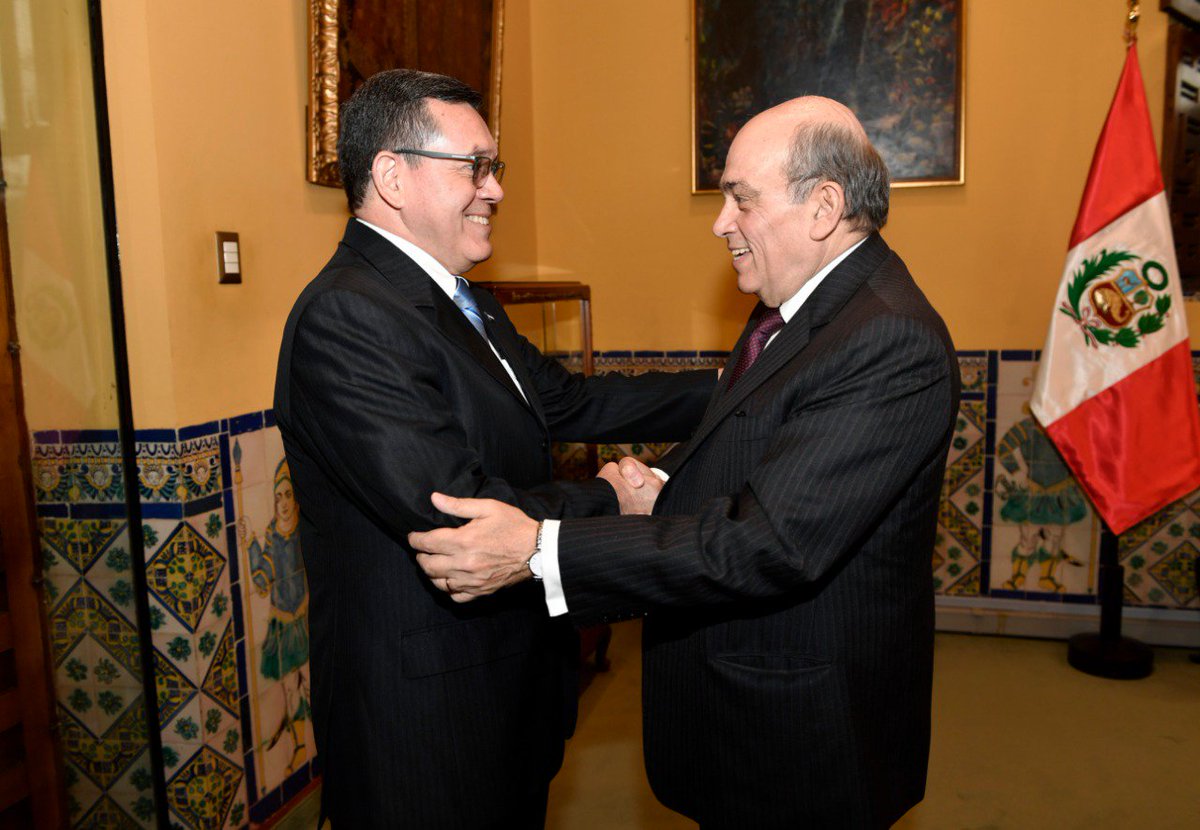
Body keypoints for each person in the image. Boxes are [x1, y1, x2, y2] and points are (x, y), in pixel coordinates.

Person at [410, 96, 961, 828]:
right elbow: (749, 434)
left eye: (741, 198)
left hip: (803, 736)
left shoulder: (887, 339)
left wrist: (540, 549)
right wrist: (664, 483)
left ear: (824, 207)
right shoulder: (799, 305)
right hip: (747, 711)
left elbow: (769, 543)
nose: (720, 222)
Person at [273, 69, 714, 828]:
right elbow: (456, 510)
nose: (496, 189)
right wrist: (613, 497)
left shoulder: (457, 298)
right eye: (475, 167)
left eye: (494, 167)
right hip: (427, 720)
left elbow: (572, 402)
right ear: (392, 177)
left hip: (503, 690)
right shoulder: (348, 316)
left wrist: (740, 381)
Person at [238, 459, 311, 774]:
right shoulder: (272, 535)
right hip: (282, 625)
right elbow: (264, 577)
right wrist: (250, 545)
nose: (282, 503)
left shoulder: (304, 527)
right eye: (277, 496)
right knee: (290, 690)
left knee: (311, 685)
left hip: (305, 619)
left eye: (287, 495)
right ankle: (299, 745)